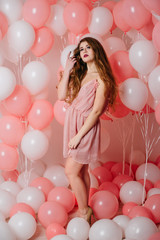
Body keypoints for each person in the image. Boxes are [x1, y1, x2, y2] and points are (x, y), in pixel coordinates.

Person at [57, 37, 117, 223]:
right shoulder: (81, 74)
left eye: (88, 47)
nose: (84, 50)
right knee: (81, 172)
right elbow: (61, 96)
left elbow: (97, 111)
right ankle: (86, 207)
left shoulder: (102, 78)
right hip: (74, 122)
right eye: (81, 48)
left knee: (71, 171)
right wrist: (67, 70)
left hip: (85, 127)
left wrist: (78, 136)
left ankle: (84, 211)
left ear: (96, 50)